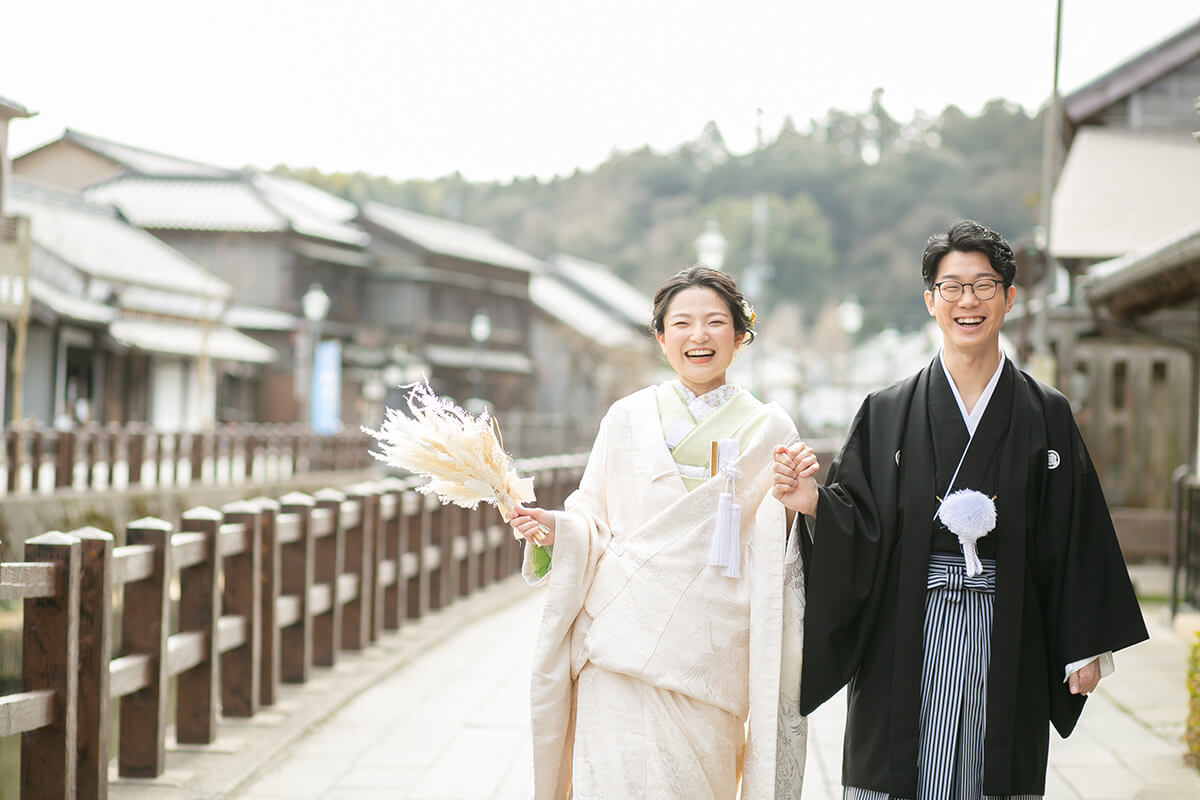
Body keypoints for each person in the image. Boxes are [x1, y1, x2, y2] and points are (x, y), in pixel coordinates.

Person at [772, 220, 1149, 800]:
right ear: (930, 300)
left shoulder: (1045, 412)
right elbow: (859, 518)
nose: (967, 301)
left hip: (1010, 623)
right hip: (907, 625)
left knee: (995, 771)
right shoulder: (887, 410)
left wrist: (1083, 643)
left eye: (984, 285)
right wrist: (814, 504)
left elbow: (1074, 530)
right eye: (951, 287)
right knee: (899, 774)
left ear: (1009, 297)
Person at [507, 265, 812, 799]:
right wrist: (557, 530)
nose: (699, 336)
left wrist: (798, 501)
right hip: (618, 642)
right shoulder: (626, 418)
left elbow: (780, 548)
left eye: (716, 322)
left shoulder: (770, 429)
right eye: (683, 323)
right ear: (661, 337)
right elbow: (593, 517)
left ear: (741, 336)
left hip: (708, 652)